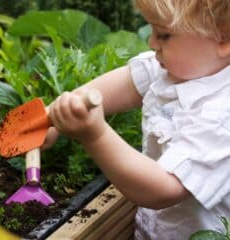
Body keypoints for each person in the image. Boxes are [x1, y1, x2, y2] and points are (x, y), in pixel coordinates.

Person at [42, 0, 230, 239]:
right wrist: (55, 114)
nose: (152, 43)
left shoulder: (222, 116)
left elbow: (163, 189)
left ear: (223, 40)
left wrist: (95, 135)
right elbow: (127, 83)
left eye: (163, 35)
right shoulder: (180, 66)